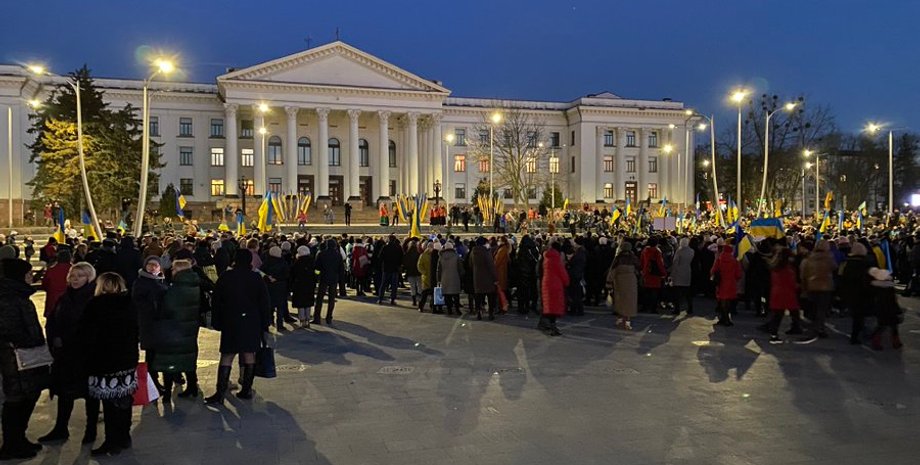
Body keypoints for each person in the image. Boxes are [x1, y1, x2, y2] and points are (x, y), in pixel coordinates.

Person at [39, 262, 100, 445]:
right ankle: (60, 428)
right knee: (65, 392)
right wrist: (55, 338)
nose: (75, 280)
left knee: (91, 394)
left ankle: (91, 429)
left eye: (80, 276)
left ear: (88, 277)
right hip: (65, 354)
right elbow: (53, 320)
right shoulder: (64, 297)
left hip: (87, 355)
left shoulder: (95, 298)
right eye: (73, 276)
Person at [80, 272, 138, 456]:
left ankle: (111, 441)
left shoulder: (95, 305)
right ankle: (124, 436)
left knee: (109, 403)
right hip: (126, 359)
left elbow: (86, 334)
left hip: (104, 361)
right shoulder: (129, 304)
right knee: (124, 399)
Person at [206, 250, 271, 404]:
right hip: (251, 321)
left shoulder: (226, 277)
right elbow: (264, 302)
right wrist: (265, 323)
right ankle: (246, 389)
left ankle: (220, 392)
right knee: (249, 354)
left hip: (231, 320)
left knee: (227, 355)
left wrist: (217, 321)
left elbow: (216, 301)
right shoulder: (256, 278)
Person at [0, 258, 49, 460]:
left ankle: (19, 438)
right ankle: (12, 444)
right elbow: (8, 330)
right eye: (28, 273)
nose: (31, 276)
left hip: (26, 356)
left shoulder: (18, 295)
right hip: (14, 358)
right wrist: (30, 341)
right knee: (16, 400)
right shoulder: (8, 299)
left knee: (28, 397)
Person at [150, 259, 201, 401]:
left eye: (173, 269)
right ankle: (192, 386)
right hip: (188, 327)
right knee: (188, 356)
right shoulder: (193, 284)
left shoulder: (177, 288)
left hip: (174, 328)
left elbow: (168, 307)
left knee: (170, 360)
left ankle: (167, 392)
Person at [133, 256, 168, 393]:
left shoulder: (159, 280)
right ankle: (152, 382)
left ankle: (154, 382)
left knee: (155, 353)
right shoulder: (141, 282)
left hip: (157, 323)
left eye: (155, 265)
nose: (153, 267)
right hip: (149, 323)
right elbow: (138, 302)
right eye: (150, 264)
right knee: (151, 354)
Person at [798, 239, 836, 343]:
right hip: (826, 287)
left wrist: (804, 286)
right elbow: (834, 267)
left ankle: (813, 328)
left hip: (812, 286)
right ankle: (820, 328)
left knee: (813, 309)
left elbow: (804, 273)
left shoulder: (811, 257)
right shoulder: (829, 257)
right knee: (822, 310)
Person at [762, 247, 800, 344]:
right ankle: (775, 334)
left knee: (777, 315)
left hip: (777, 292)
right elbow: (790, 281)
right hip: (786, 293)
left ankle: (774, 333)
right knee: (785, 313)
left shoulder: (775, 266)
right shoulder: (787, 268)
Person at [839, 242, 873, 344]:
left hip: (851, 292)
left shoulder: (848, 263)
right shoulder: (865, 263)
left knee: (857, 315)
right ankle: (856, 336)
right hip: (862, 293)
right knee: (860, 315)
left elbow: (843, 278)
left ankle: (859, 333)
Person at [868, 267, 903, 350]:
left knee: (881, 326)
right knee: (893, 326)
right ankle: (896, 342)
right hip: (890, 309)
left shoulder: (874, 287)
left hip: (880, 309)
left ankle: (875, 341)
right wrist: (898, 310)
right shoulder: (889, 288)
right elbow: (893, 300)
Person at [607, 241, 639, 330]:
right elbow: (638, 269)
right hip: (631, 282)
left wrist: (609, 283)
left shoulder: (618, 259)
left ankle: (620, 319)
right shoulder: (634, 258)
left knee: (620, 300)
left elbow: (612, 271)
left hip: (620, 282)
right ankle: (628, 321)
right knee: (630, 302)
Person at [539, 240, 569, 336]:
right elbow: (561, 272)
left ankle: (546, 324)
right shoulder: (556, 258)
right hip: (555, 285)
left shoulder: (546, 257)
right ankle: (552, 326)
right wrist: (566, 281)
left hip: (546, 284)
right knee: (554, 307)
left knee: (549, 306)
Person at [313, 238, 345, 325]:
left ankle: (317, 317)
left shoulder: (321, 254)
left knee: (319, 299)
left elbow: (317, 267)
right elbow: (341, 269)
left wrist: (317, 277)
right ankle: (329, 317)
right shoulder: (338, 255)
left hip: (323, 278)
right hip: (334, 279)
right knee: (331, 299)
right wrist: (341, 282)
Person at [710, 242, 742, 326]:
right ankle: (726, 318)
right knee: (728, 301)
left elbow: (713, 270)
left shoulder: (719, 259)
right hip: (731, 283)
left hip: (721, 283)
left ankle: (724, 318)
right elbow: (738, 274)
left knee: (722, 300)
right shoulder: (734, 261)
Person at [262, 246, 292, 331]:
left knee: (269, 305)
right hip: (280, 286)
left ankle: (268, 322)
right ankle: (280, 324)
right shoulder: (283, 262)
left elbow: (261, 272)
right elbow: (286, 274)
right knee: (280, 306)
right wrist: (278, 278)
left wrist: (269, 278)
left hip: (269, 286)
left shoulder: (266, 261)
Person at [470, 237, 498, 320]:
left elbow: (470, 264)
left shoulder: (473, 252)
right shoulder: (486, 252)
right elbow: (491, 266)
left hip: (477, 278)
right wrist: (495, 278)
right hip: (487, 278)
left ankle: (479, 312)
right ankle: (490, 313)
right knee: (490, 296)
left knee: (478, 296)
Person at [41, 248, 73, 319]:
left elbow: (44, 285)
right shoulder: (74, 270)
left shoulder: (51, 271)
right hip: (71, 301)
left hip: (53, 301)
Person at [289, 246, 316, 328]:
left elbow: (292, 274)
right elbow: (317, 272)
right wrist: (315, 278)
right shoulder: (312, 261)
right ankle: (308, 319)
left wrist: (291, 285)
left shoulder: (297, 263)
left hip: (299, 285)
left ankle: (302, 320)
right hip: (310, 284)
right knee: (308, 303)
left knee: (300, 304)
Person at [640, 237, 667, 313]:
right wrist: (663, 273)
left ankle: (645, 306)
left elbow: (641, 261)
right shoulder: (657, 251)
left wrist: (642, 270)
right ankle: (653, 308)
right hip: (655, 274)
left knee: (646, 290)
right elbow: (660, 263)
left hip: (646, 272)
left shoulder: (645, 251)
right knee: (654, 291)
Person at [515, 235, 540, 315]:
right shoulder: (533, 249)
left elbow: (517, 262)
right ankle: (532, 305)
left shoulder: (521, 250)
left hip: (521, 274)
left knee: (522, 292)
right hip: (531, 274)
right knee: (532, 290)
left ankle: (522, 307)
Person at [437, 241, 463, 316]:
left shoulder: (441, 257)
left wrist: (438, 279)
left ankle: (449, 310)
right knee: (456, 295)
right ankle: (457, 309)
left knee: (447, 296)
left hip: (444, 278)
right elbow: (460, 268)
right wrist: (461, 276)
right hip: (455, 278)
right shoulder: (456, 256)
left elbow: (439, 269)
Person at [670, 238, 695, 315]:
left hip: (678, 272)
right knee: (687, 291)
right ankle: (690, 307)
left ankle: (677, 309)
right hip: (687, 271)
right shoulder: (691, 251)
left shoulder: (679, 251)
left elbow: (675, 263)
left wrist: (672, 274)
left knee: (676, 292)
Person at [377, 235, 403, 305]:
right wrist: (400, 265)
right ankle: (392, 299)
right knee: (394, 285)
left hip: (386, 268)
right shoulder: (398, 247)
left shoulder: (385, 247)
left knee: (383, 284)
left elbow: (380, 257)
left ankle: (380, 298)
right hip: (395, 268)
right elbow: (401, 257)